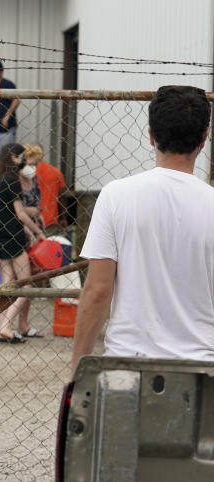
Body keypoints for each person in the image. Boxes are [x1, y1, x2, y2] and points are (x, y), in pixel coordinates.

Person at [71, 85, 214, 371]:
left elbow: (98, 291)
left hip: (130, 365)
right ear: (204, 138)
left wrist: (77, 370)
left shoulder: (116, 196)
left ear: (150, 135)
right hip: (203, 368)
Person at [0, 143, 46, 343]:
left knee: (6, 284)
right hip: (13, 237)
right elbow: (20, 213)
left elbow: (6, 213)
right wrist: (38, 231)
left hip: (1, 235)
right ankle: (7, 326)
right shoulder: (12, 180)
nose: (24, 161)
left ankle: (2, 328)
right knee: (26, 285)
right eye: (22, 157)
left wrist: (28, 231)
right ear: (14, 158)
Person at [23, 144, 67, 235]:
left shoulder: (25, 174)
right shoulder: (55, 172)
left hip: (29, 219)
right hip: (51, 220)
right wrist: (63, 218)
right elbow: (62, 197)